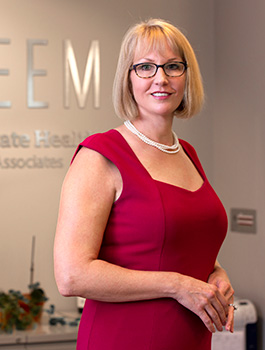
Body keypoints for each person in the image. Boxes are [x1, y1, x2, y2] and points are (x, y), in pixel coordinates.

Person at [54, 18, 235, 350]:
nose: (161, 79)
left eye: (173, 66)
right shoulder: (100, 155)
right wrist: (177, 285)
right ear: (128, 78)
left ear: (187, 76)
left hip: (189, 341)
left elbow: (185, 247)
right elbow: (71, 275)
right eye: (146, 67)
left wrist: (217, 275)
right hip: (123, 339)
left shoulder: (188, 154)